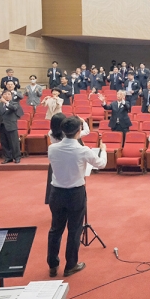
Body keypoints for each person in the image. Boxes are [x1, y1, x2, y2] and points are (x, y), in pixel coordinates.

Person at [47, 116, 107, 278]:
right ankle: (71, 265)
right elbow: (101, 164)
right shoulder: (83, 150)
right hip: (75, 193)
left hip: (56, 192)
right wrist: (104, 150)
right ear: (79, 131)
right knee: (74, 230)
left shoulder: (52, 148)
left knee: (55, 229)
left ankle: (52, 265)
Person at [45, 114, 90, 204]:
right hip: (70, 160)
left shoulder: (50, 133)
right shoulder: (68, 135)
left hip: (57, 160)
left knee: (56, 183)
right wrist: (83, 122)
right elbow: (87, 131)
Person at [0, 90, 23, 163]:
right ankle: (8, 157)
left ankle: (17, 157)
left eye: (8, 94)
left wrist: (5, 102)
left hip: (11, 126)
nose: (7, 95)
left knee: (14, 143)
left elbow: (14, 108)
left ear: (11, 96)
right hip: (1, 126)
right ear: (2, 95)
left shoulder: (15, 103)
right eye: (5, 94)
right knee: (4, 143)